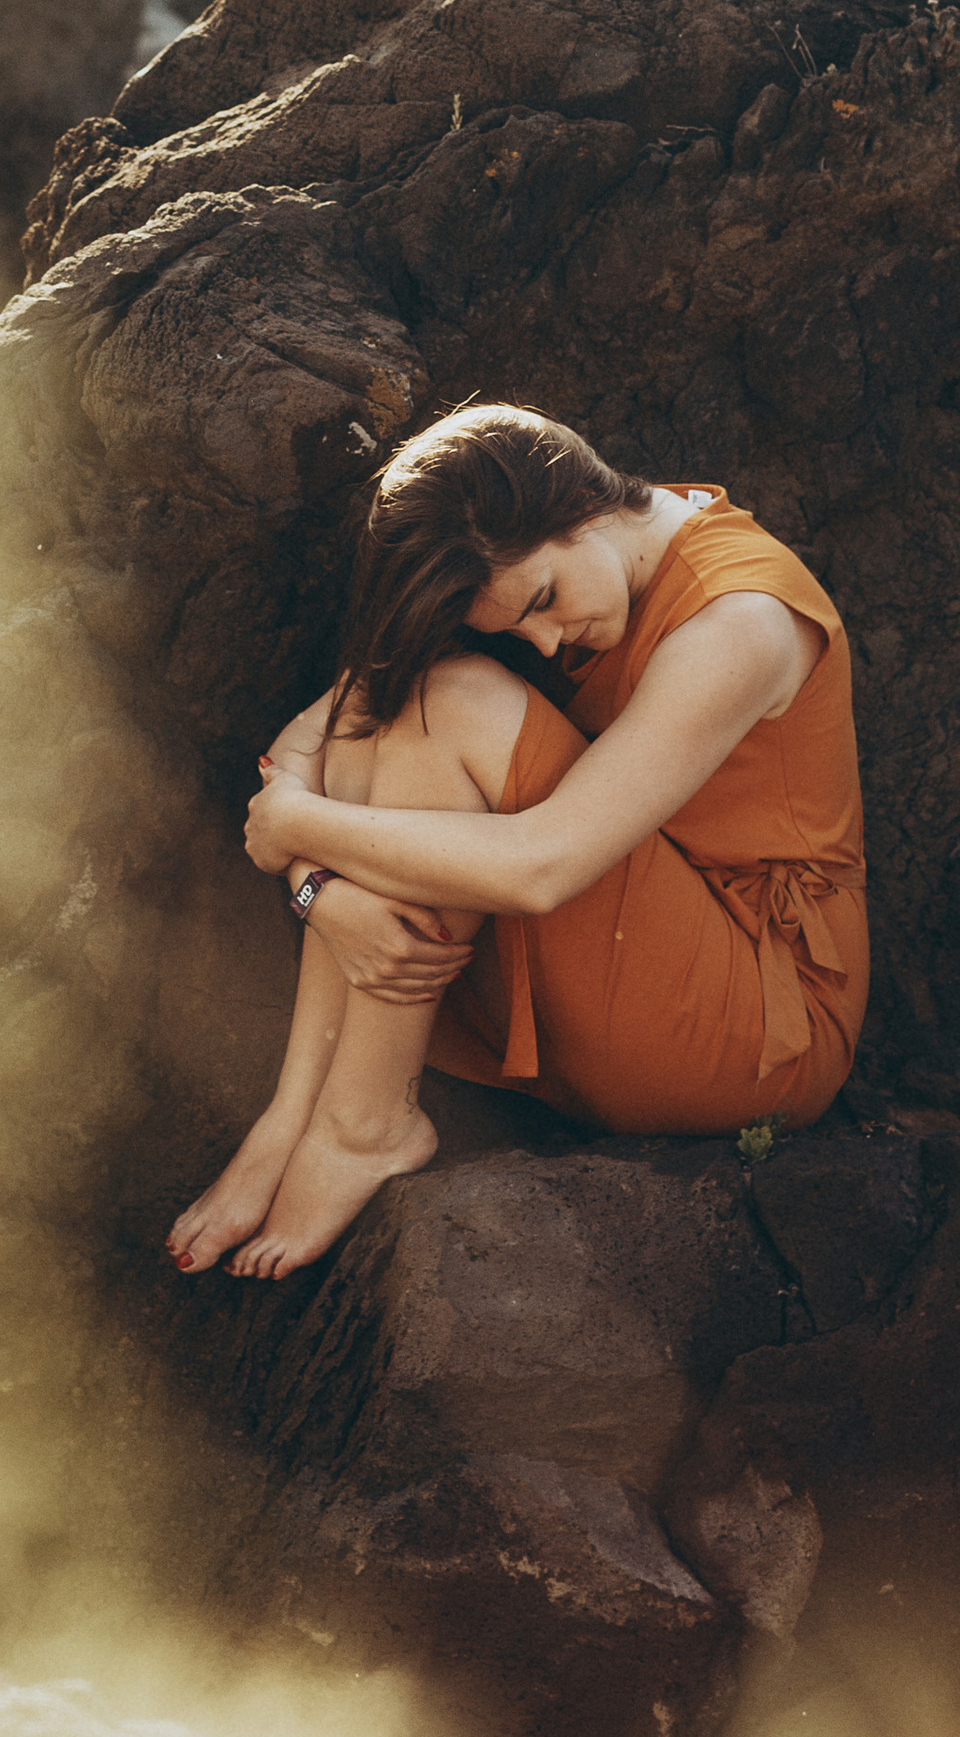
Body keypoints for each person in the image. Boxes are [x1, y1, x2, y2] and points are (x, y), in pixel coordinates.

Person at [166, 402, 867, 1280]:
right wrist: (324, 895)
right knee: (396, 708)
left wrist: (298, 835)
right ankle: (298, 1113)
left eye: (543, 601)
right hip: (629, 946)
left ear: (581, 503)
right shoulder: (579, 567)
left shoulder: (741, 625)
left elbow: (543, 868)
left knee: (448, 701)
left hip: (757, 1029)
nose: (543, 640)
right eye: (516, 628)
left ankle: (366, 1124)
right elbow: (318, 742)